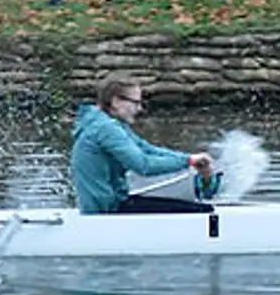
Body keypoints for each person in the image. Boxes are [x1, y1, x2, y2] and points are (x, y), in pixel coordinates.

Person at [70, 76, 217, 214]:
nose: (139, 108)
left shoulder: (103, 123)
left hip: (109, 205)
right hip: (106, 211)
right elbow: (143, 165)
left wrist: (189, 158)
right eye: (135, 102)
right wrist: (188, 162)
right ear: (115, 101)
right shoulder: (105, 128)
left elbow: (147, 150)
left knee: (195, 208)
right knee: (204, 211)